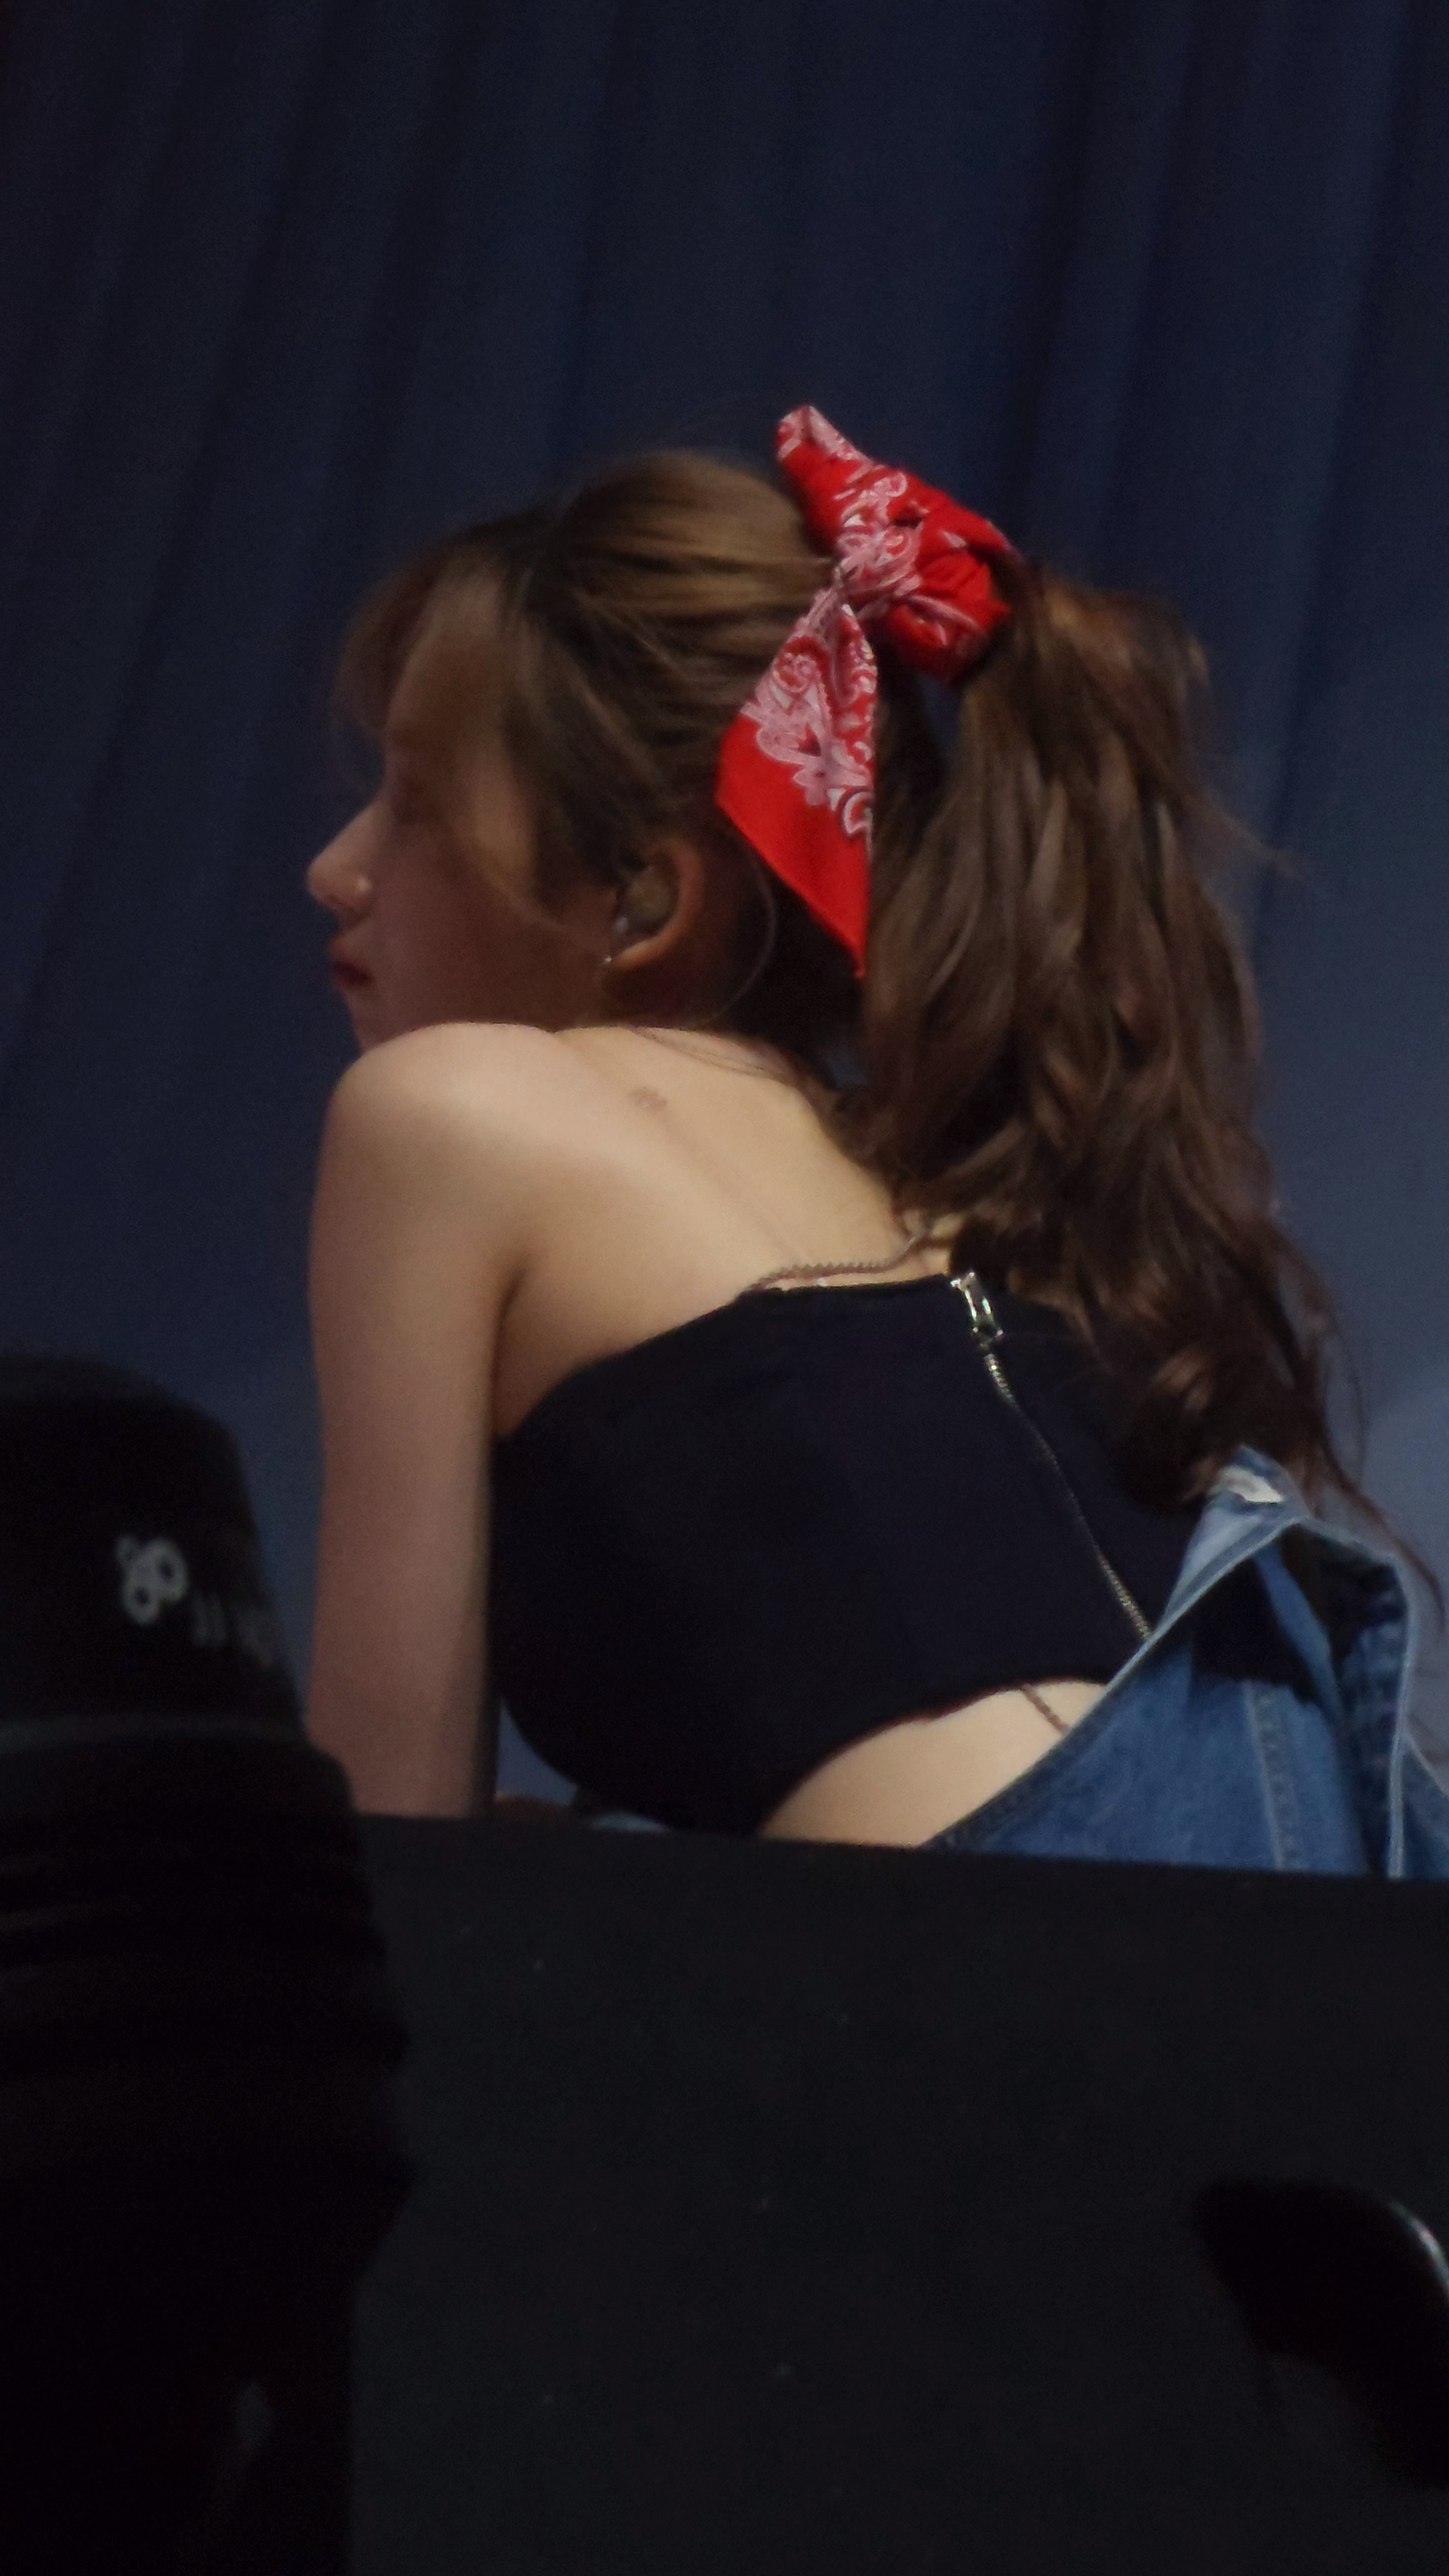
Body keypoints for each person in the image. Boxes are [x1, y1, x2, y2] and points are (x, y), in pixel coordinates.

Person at [302, 406, 1449, 1871]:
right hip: (1335, 1936)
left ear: (644, 899)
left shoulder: (445, 1112)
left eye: (413, 803)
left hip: (1002, 1964)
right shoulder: (949, 1186)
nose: (334, 869)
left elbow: (387, 1860)